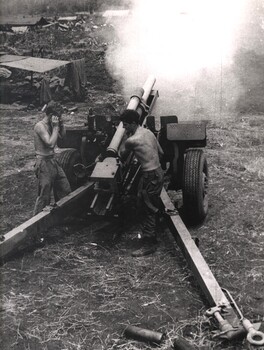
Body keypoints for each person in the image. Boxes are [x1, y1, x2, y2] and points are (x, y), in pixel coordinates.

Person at [119, 109, 164, 257]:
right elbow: (161, 152)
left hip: (149, 176)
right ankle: (153, 233)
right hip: (157, 172)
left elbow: (121, 154)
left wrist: (126, 137)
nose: (124, 128)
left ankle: (149, 243)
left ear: (133, 123)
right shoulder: (149, 132)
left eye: (126, 125)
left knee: (147, 208)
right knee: (145, 201)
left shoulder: (132, 140)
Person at [33, 101, 71, 215]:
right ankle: (36, 224)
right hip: (43, 163)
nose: (59, 119)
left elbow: (62, 138)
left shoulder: (52, 124)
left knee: (65, 189)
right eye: (58, 117)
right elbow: (50, 143)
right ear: (50, 116)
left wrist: (61, 125)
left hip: (53, 161)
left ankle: (60, 216)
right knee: (44, 196)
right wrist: (55, 128)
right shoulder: (40, 126)